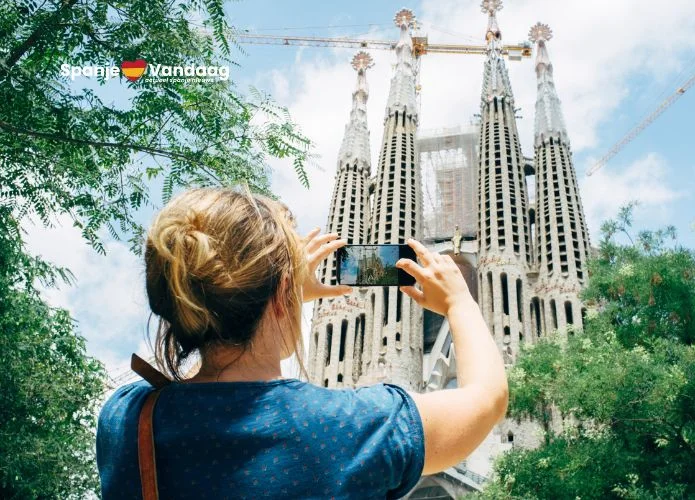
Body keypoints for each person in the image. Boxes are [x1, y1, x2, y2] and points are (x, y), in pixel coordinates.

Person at [96, 187, 508, 499]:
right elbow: (487, 399)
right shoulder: (350, 427)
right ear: (282, 294)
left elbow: (202, 382)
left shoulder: (127, 417)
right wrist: (460, 301)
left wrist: (275, 297)